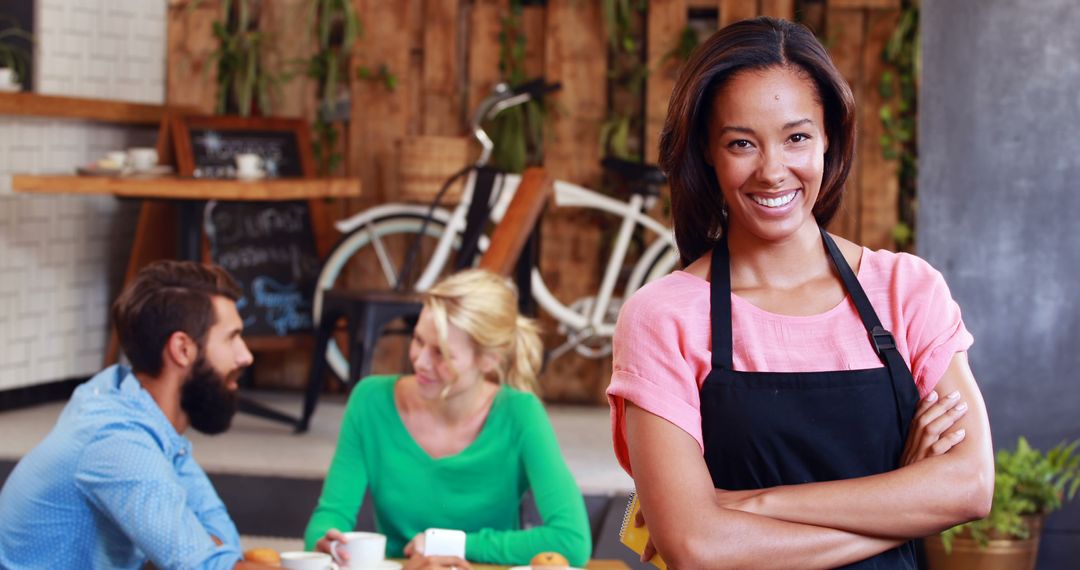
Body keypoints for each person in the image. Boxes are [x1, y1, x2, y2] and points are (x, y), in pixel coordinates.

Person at [607, 17, 994, 569]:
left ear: (828, 138)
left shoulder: (906, 290)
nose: (772, 171)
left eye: (797, 137)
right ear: (708, 155)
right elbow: (697, 548)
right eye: (741, 142)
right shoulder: (663, 317)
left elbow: (971, 485)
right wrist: (906, 500)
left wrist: (753, 506)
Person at [305, 269, 592, 569]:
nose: (420, 360)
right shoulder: (370, 400)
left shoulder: (521, 413)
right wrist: (325, 542)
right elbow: (329, 518)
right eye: (418, 339)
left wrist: (449, 545)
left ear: (489, 359)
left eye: (441, 353)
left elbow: (571, 541)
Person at [0, 260, 277, 570]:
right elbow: (207, 565)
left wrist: (196, 548)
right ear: (182, 349)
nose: (245, 355)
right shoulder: (117, 438)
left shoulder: (127, 402)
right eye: (231, 338)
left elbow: (223, 543)